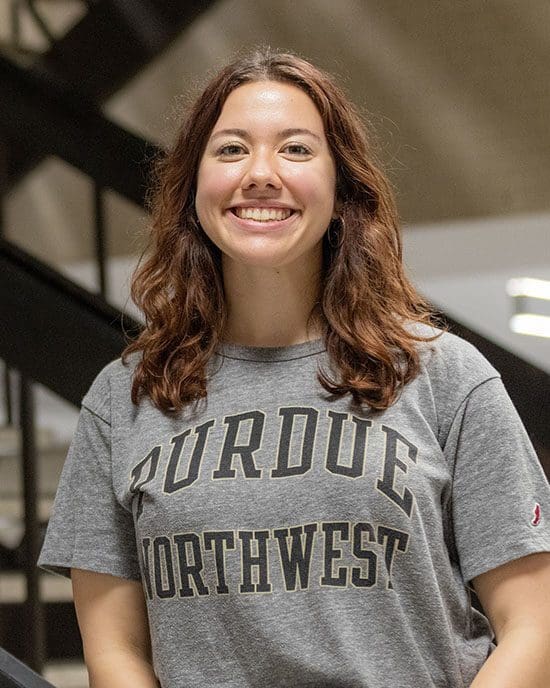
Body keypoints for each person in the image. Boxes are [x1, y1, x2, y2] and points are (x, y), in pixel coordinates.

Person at [38, 47, 550, 688]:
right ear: (193, 188)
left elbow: (535, 625)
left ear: (340, 190)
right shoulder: (123, 399)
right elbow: (116, 651)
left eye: (296, 149)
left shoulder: (444, 378)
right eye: (230, 150)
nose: (260, 173)